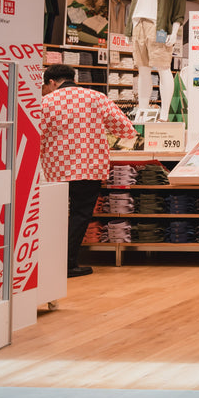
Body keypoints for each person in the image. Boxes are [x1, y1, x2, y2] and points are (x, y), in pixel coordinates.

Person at [40, 64, 137, 278]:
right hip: (89, 166)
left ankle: (50, 262)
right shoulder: (96, 97)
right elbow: (126, 129)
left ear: (52, 82)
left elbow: (37, 136)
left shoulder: (46, 102)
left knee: (54, 215)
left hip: (57, 168)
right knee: (80, 215)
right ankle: (68, 263)